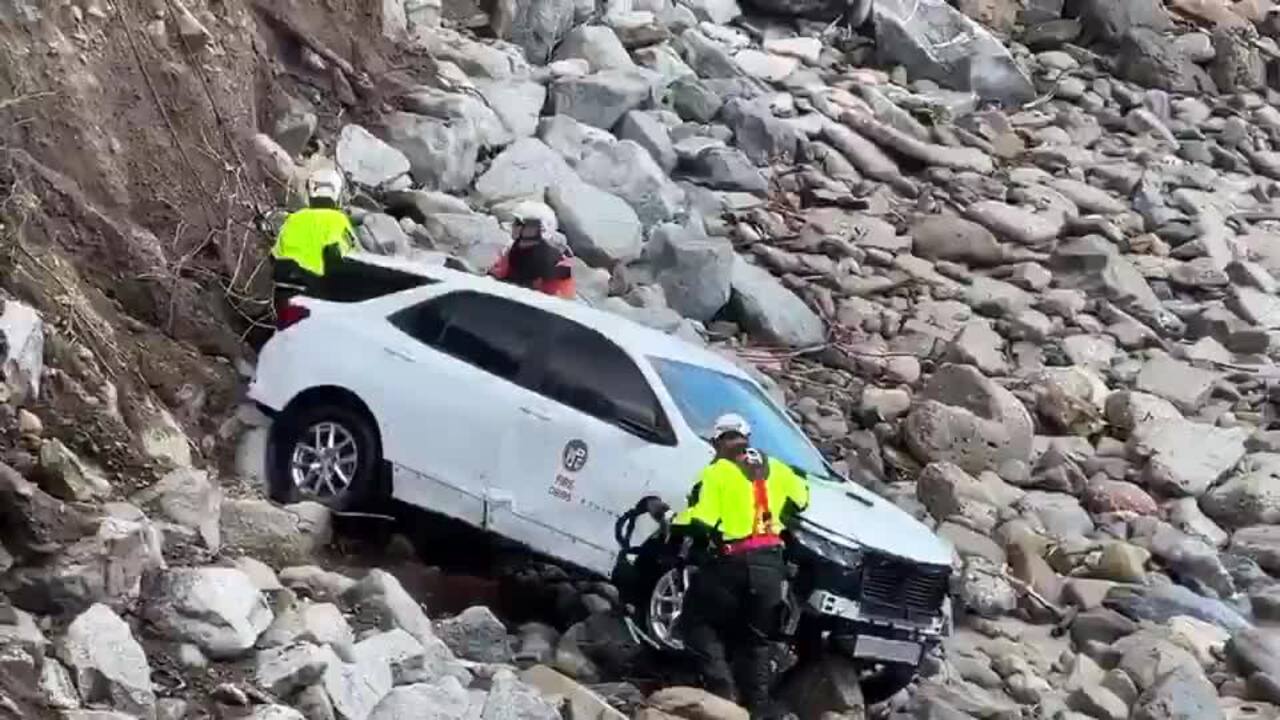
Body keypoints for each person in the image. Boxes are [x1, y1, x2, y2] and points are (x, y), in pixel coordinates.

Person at [673, 413, 810, 719]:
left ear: (717, 441)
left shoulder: (718, 471)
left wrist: (671, 520)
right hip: (771, 566)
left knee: (697, 624)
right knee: (757, 641)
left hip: (733, 561)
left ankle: (722, 693)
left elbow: (702, 520)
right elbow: (802, 499)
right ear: (747, 437)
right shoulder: (777, 467)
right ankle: (758, 706)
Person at [271, 167, 355, 309]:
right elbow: (341, 256)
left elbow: (274, 255)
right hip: (314, 294)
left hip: (283, 293)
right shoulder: (338, 220)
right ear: (337, 194)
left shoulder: (294, 218)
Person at [489, 201, 575, 299]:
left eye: (518, 223)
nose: (513, 225)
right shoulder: (516, 249)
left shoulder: (553, 263)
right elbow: (497, 276)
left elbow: (559, 302)